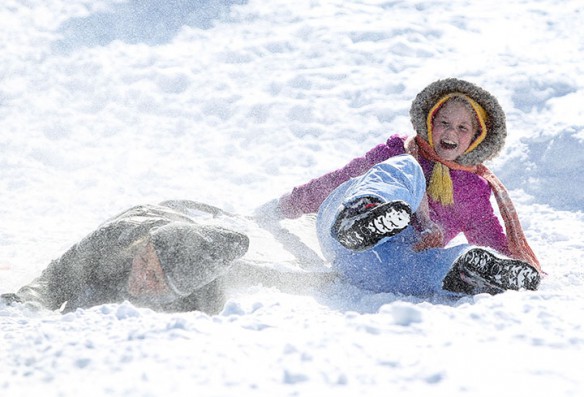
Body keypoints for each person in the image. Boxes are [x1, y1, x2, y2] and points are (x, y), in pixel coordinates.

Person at [260, 78, 542, 296]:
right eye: (444, 123)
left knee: (434, 264)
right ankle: (366, 212)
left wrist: (510, 265)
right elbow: (334, 182)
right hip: (344, 237)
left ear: (477, 138)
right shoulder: (399, 151)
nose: (451, 133)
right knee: (407, 169)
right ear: (430, 123)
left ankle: (467, 271)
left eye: (462, 128)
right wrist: (282, 207)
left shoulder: (472, 191)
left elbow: (489, 236)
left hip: (388, 269)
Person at [1, 201, 249, 314]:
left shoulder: (209, 292)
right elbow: (58, 276)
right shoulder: (114, 241)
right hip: (162, 212)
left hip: (195, 219)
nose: (139, 275)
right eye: (142, 260)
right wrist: (27, 300)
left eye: (153, 276)